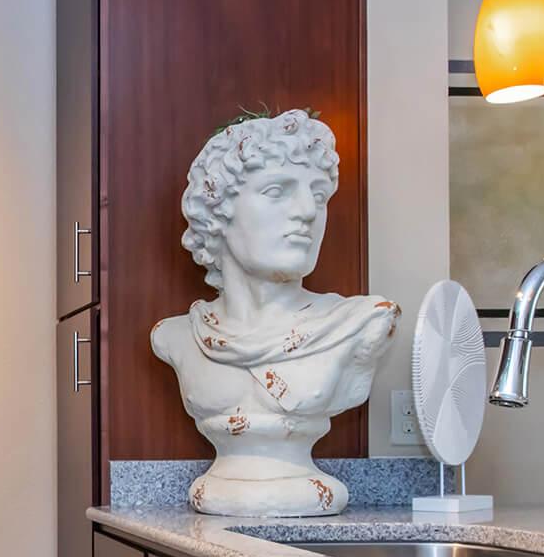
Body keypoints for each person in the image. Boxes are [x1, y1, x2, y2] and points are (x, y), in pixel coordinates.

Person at [150, 109, 400, 516]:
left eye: (318, 196)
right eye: (276, 191)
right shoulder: (176, 336)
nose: (307, 211)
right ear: (217, 214)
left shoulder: (359, 323)